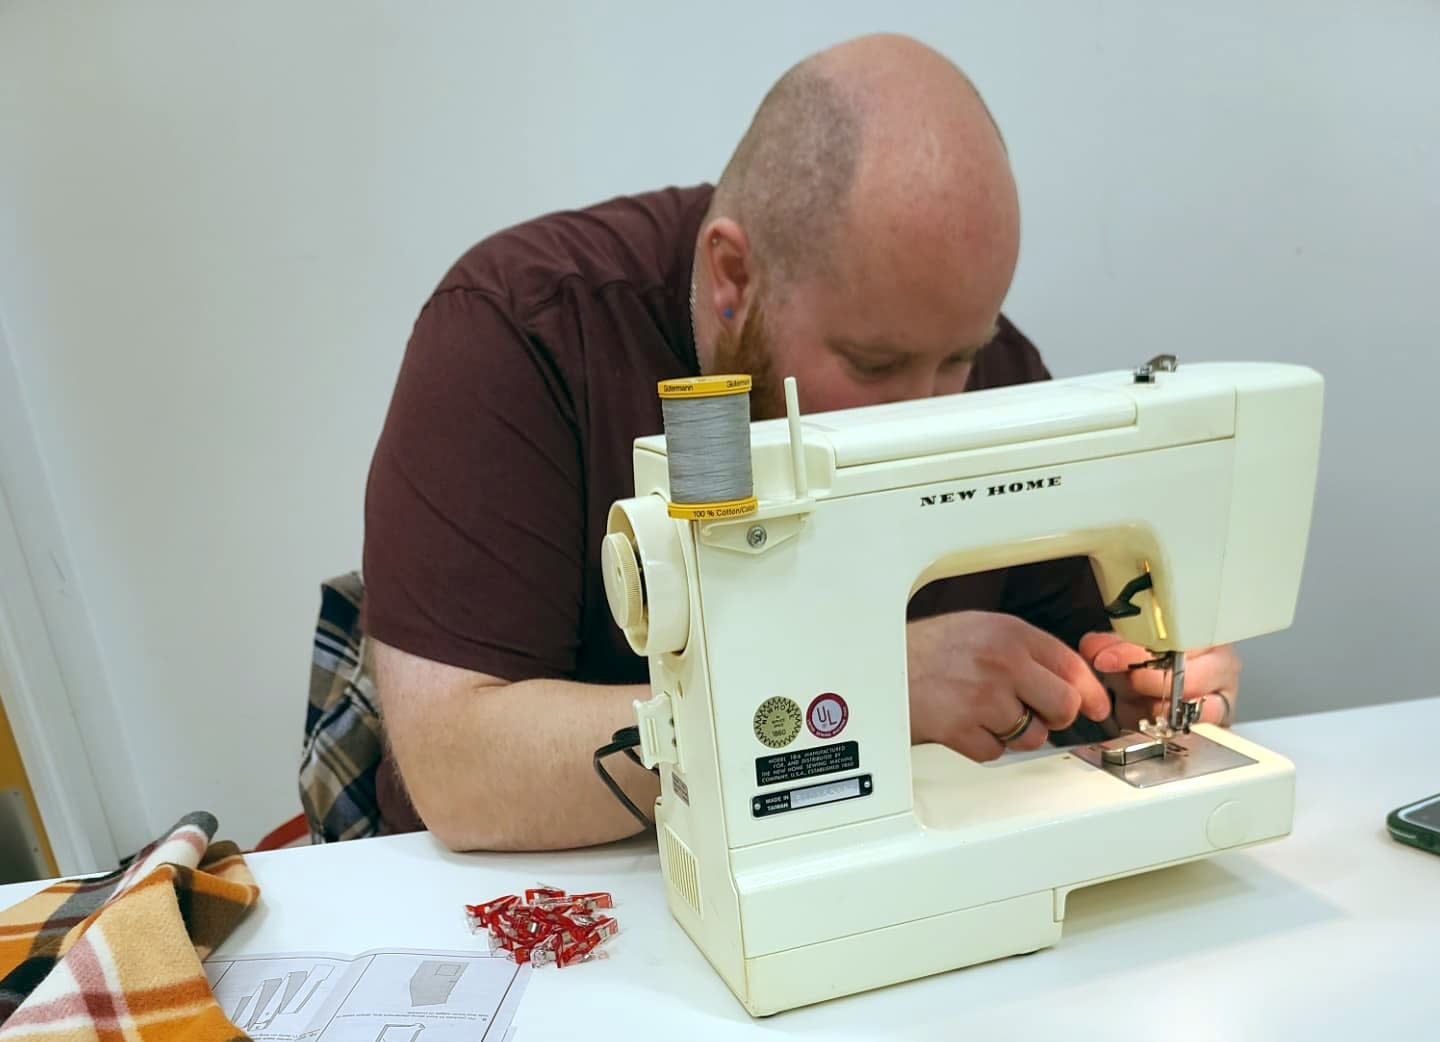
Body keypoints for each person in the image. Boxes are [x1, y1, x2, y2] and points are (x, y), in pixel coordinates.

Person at [360, 33, 1241, 852]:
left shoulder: (994, 366)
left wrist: (1147, 681)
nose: (926, 414)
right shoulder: (524, 334)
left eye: (958, 358)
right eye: (875, 364)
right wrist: (855, 686)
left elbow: (1094, 650)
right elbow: (459, 770)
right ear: (734, 278)